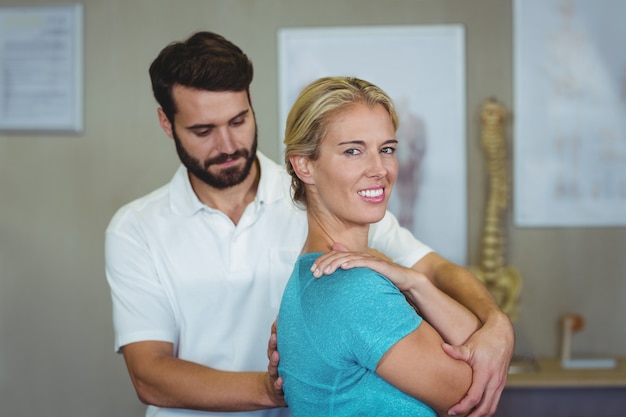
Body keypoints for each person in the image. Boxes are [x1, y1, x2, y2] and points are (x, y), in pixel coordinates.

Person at [104, 30, 513, 417]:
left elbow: (435, 270)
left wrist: (497, 326)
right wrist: (283, 384)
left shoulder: (326, 195)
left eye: (238, 121)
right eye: (203, 130)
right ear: (166, 123)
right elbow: (150, 374)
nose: (227, 144)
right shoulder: (137, 228)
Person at [277, 76, 480, 417]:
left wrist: (414, 280)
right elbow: (476, 386)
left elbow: (478, 346)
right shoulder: (352, 288)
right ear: (304, 165)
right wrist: (415, 284)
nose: (380, 169)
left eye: (386, 149)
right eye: (353, 151)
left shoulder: (311, 274)